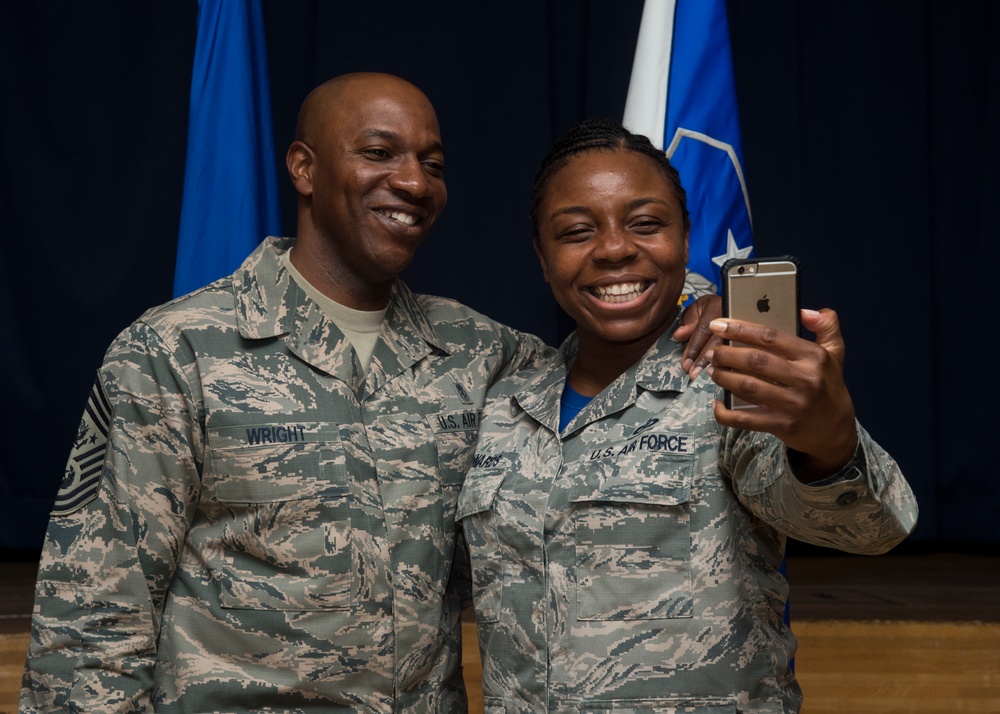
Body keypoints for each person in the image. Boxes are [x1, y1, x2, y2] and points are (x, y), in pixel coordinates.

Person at [20, 75, 720, 713]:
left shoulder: (481, 356)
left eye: (433, 164)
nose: (413, 182)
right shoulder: (176, 352)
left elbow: (605, 341)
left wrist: (697, 300)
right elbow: (91, 620)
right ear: (304, 168)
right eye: (380, 153)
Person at [457, 118, 918, 713]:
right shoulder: (500, 403)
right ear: (543, 259)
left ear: (685, 237)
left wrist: (823, 441)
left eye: (646, 224)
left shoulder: (730, 385)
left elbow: (871, 530)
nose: (615, 248)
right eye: (575, 231)